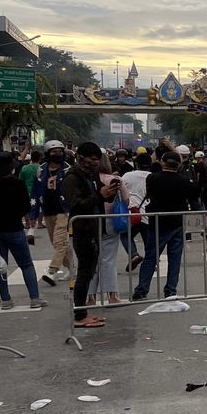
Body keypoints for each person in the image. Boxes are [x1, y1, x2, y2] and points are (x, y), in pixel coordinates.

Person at [63, 142, 120, 327]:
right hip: (82, 229)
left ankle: (82, 312)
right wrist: (100, 195)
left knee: (88, 271)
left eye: (98, 160)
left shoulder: (92, 175)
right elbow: (76, 205)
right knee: (85, 272)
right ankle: (79, 316)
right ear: (81, 158)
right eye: (92, 160)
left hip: (96, 227)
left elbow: (97, 197)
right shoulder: (72, 177)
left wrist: (109, 193)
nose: (95, 163)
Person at [0, 151, 47, 310]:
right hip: (15, 229)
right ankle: (34, 298)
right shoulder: (17, 184)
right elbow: (26, 206)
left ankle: (5, 300)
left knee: (0, 266)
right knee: (26, 264)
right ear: (11, 167)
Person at [132, 150, 198, 301]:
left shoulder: (152, 179)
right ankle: (170, 290)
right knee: (174, 259)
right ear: (178, 165)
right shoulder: (183, 181)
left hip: (157, 223)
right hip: (177, 222)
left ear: (162, 162)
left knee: (151, 257)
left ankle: (141, 289)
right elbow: (194, 193)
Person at [86, 152, 130, 306]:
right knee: (109, 260)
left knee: (91, 261)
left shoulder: (88, 180)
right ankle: (112, 295)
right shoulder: (115, 180)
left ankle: (90, 297)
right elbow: (126, 199)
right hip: (111, 222)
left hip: (90, 222)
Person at [35, 140, 73, 285]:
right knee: (59, 244)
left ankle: (52, 271)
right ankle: (70, 268)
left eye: (60, 151)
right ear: (47, 154)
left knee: (60, 242)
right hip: (48, 210)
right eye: (54, 152)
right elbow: (36, 191)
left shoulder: (68, 169)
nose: (57, 154)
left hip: (63, 210)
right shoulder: (41, 169)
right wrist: (34, 214)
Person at [121, 150, 151, 271]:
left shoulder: (127, 176)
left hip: (131, 212)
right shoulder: (152, 177)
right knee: (148, 240)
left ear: (136, 163)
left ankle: (133, 254)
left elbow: (121, 192)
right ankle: (151, 263)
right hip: (148, 213)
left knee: (125, 235)